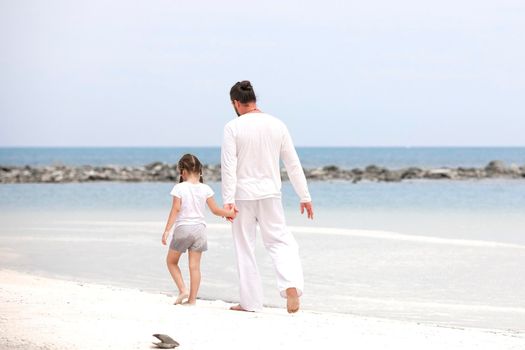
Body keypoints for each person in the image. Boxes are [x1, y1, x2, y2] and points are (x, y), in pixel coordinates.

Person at [221, 80, 314, 313]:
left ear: (236, 103)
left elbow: (228, 166)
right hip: (271, 194)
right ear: (254, 100)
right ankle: (291, 285)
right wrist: (304, 195)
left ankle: (250, 303)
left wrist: (227, 200)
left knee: (245, 246)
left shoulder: (232, 127)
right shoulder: (277, 124)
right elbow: (292, 163)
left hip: (242, 196)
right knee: (280, 241)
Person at [162, 153, 236, 305]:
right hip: (200, 231)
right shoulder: (206, 188)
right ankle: (192, 300)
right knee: (195, 267)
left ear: (183, 172)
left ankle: (183, 289)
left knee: (171, 262)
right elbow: (215, 210)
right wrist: (230, 213)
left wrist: (167, 230)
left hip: (183, 229)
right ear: (200, 171)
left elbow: (175, 209)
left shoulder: (179, 188)